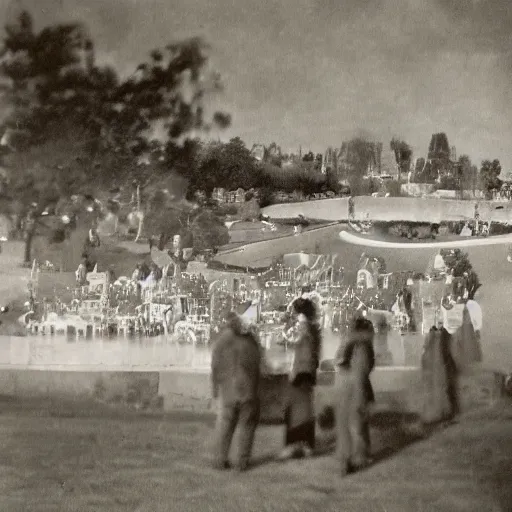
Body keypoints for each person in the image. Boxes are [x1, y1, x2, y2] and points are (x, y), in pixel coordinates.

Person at [211, 312, 263, 471]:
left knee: (226, 424)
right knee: (247, 424)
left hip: (228, 390)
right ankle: (242, 461)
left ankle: (220, 459)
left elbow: (215, 365)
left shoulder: (222, 340)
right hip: (248, 390)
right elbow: (258, 364)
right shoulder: (252, 341)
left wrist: (214, 388)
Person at [279, 297, 322, 459]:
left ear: (299, 313)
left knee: (293, 409)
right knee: (306, 409)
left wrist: (285, 330)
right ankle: (307, 445)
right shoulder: (314, 329)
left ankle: (292, 445)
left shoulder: (303, 327)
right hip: (309, 371)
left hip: (300, 371)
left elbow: (290, 340)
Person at [334, 316, 375, 476]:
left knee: (349, 423)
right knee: (357, 424)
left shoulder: (351, 344)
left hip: (349, 389)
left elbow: (340, 361)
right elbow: (366, 369)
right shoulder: (364, 346)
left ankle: (350, 457)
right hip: (358, 389)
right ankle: (358, 456)